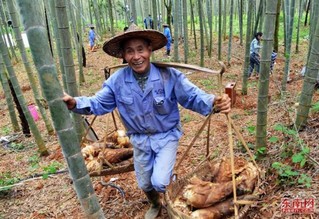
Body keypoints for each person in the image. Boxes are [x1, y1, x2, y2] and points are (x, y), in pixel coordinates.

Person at [63, 23, 231, 219]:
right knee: (145, 183)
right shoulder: (117, 82)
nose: (136, 56)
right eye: (130, 51)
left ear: (150, 50)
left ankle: (173, 190)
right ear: (123, 56)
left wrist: (214, 102)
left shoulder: (168, 75)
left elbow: (192, 96)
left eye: (141, 49)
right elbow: (98, 102)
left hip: (166, 136)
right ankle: (155, 202)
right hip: (139, 140)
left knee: (160, 181)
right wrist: (75, 103)